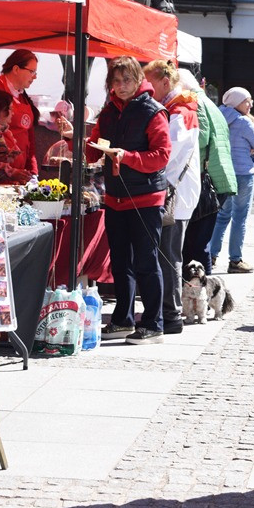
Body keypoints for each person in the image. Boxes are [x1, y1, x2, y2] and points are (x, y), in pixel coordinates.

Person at [87, 56, 171, 345]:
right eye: (116, 81)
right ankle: (122, 319)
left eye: (127, 80)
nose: (121, 86)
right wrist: (82, 142)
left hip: (146, 197)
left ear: (138, 81)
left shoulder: (153, 111)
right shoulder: (108, 111)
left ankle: (153, 324)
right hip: (115, 197)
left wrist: (128, 157)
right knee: (120, 262)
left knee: (147, 261)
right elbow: (96, 144)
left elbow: (161, 156)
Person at [144, 59, 200, 334]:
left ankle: (171, 313)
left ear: (165, 82)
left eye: (150, 83)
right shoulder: (176, 109)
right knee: (167, 253)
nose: (146, 88)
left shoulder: (181, 111)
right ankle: (167, 310)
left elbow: (168, 152)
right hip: (175, 192)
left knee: (168, 255)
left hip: (174, 195)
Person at [177, 68, 238, 275]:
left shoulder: (196, 103)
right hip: (217, 178)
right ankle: (203, 292)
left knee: (196, 243)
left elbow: (200, 138)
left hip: (208, 180)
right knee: (200, 241)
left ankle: (203, 291)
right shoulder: (207, 102)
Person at [210, 86, 254, 274]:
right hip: (243, 173)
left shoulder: (217, 118)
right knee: (239, 217)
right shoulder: (243, 122)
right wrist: (250, 147)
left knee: (222, 216)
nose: (250, 104)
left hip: (223, 172)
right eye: (246, 100)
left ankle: (210, 256)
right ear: (236, 102)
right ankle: (235, 260)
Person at [0, 49, 40, 178]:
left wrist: (33, 170)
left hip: (20, 172)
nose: (35, 77)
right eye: (32, 71)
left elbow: (29, 137)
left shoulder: (23, 96)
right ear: (16, 69)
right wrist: (8, 171)